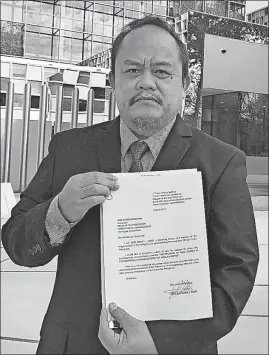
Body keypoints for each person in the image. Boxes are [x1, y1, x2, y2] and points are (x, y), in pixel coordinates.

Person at [1, 15, 259, 355]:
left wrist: (159, 343)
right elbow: (16, 243)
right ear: (113, 80)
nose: (147, 82)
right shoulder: (68, 150)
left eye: (163, 71)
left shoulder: (222, 162)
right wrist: (58, 213)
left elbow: (236, 270)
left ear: (184, 85)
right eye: (133, 70)